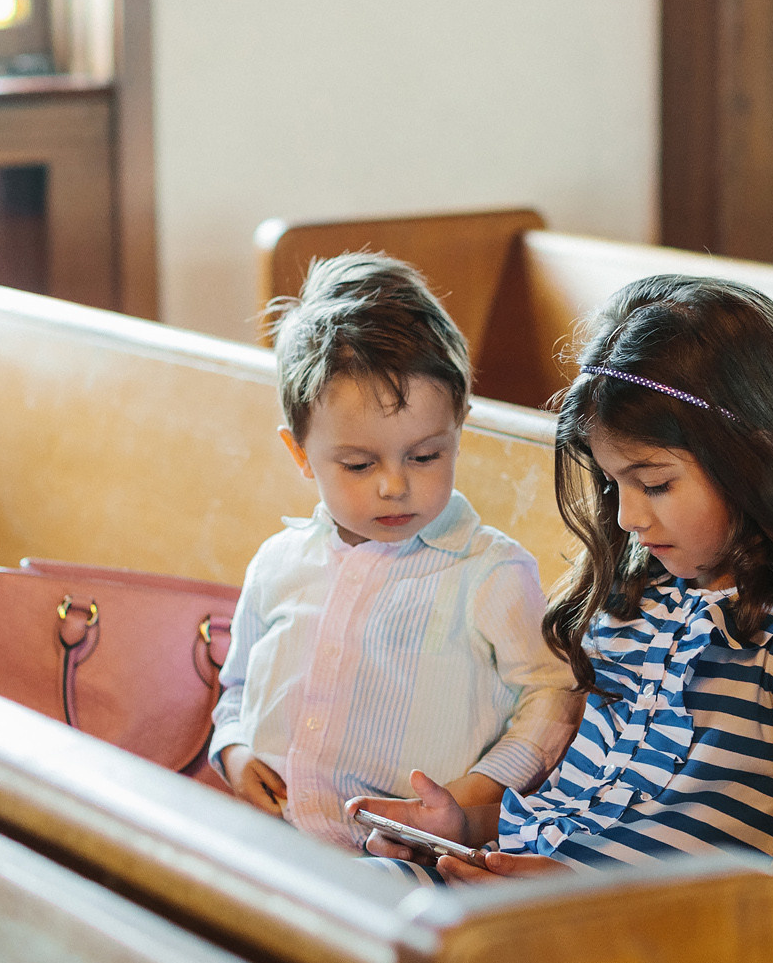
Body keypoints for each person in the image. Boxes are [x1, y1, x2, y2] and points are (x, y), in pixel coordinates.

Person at [350, 275, 773, 941]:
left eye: (654, 482)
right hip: (536, 915)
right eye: (613, 482)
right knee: (333, 899)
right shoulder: (633, 601)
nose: (627, 516)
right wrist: (462, 828)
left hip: (656, 949)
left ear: (755, 455)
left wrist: (592, 903)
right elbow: (573, 815)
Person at [208, 252, 577, 851]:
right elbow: (237, 685)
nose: (394, 485)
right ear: (301, 453)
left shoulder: (488, 572)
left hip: (407, 862)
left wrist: (473, 796)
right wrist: (233, 750)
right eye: (358, 464)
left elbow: (552, 696)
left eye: (425, 456)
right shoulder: (279, 563)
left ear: (459, 425)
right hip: (272, 845)